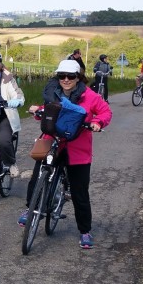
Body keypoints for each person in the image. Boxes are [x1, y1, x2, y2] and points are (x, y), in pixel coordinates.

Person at [22, 60, 112, 249]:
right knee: (38, 174)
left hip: (78, 146)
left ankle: (85, 231)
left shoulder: (90, 96)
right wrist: (38, 111)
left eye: (71, 76)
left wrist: (97, 122)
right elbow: (48, 109)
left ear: (78, 77)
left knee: (79, 191)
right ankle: (31, 210)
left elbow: (105, 112)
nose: (66, 80)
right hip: (52, 140)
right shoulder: (52, 92)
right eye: (62, 76)